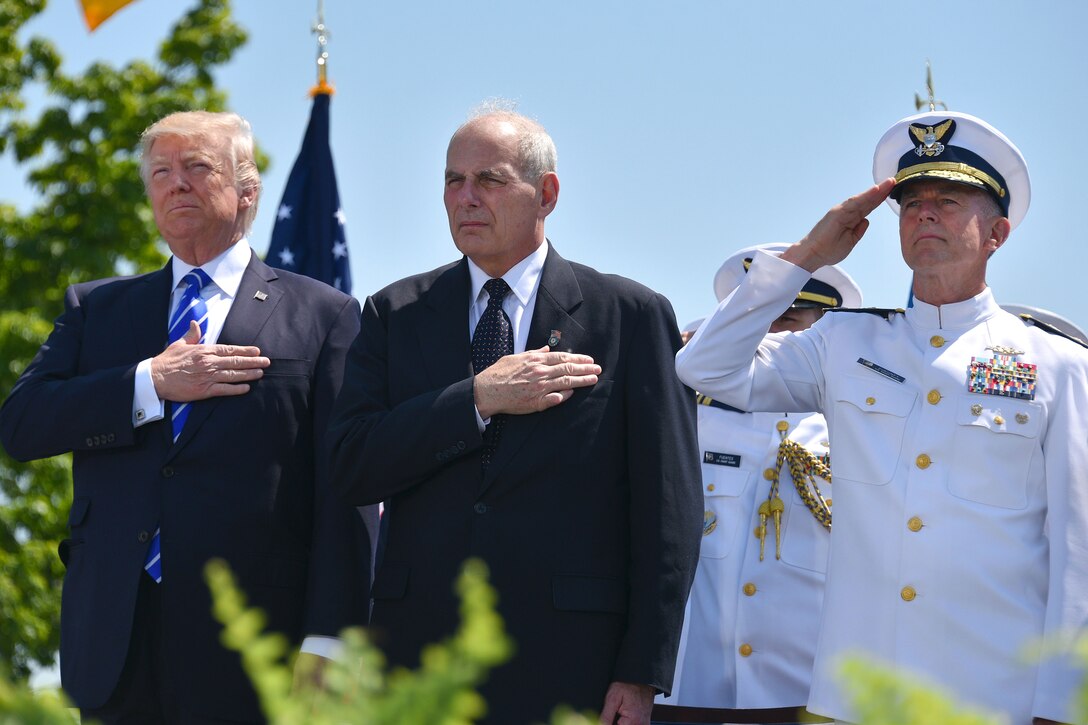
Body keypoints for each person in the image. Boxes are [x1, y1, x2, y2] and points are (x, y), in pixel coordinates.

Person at [674, 110, 1088, 724]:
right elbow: (705, 368)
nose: (925, 213)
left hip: (995, 698)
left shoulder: (1056, 364)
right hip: (856, 699)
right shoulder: (843, 343)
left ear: (997, 234)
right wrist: (807, 257)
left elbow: (1076, 550)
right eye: (913, 201)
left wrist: (1065, 705)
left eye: (949, 200)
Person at [329, 106, 703, 725]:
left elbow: (669, 510)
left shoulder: (629, 316)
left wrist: (640, 672)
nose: (466, 198)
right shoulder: (395, 312)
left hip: (571, 662)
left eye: (490, 180)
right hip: (420, 661)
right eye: (453, 181)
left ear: (546, 193)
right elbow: (351, 466)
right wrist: (475, 399)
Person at [0, 111, 377, 723]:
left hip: (258, 643)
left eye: (197, 167)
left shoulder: (324, 314)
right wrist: (150, 383)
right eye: (160, 172)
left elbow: (347, 488)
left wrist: (331, 639)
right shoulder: (97, 309)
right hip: (116, 640)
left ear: (247, 190)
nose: (176, 184)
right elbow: (21, 424)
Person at [658, 244, 861, 718]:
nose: (770, 335)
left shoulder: (851, 427)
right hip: (689, 687)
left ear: (822, 332)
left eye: (788, 320)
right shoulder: (686, 419)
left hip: (801, 689)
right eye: (758, 318)